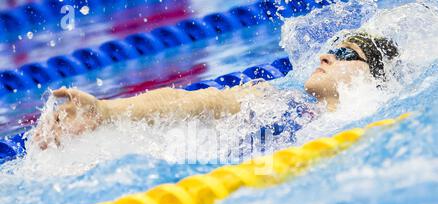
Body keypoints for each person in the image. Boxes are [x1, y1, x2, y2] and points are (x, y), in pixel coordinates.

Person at [32, 32, 399, 150]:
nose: (325, 54)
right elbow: (193, 101)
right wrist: (110, 112)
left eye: (344, 53)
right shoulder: (276, 99)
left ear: (371, 76)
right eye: (330, 46)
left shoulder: (379, 124)